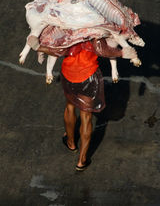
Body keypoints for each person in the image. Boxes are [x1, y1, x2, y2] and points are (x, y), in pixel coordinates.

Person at [27, 36, 137, 171]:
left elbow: (60, 50)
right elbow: (103, 50)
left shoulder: (68, 27)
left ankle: (71, 142)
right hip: (88, 78)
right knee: (86, 117)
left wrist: (40, 47)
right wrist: (121, 53)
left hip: (69, 75)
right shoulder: (95, 29)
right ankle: (82, 160)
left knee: (70, 106)